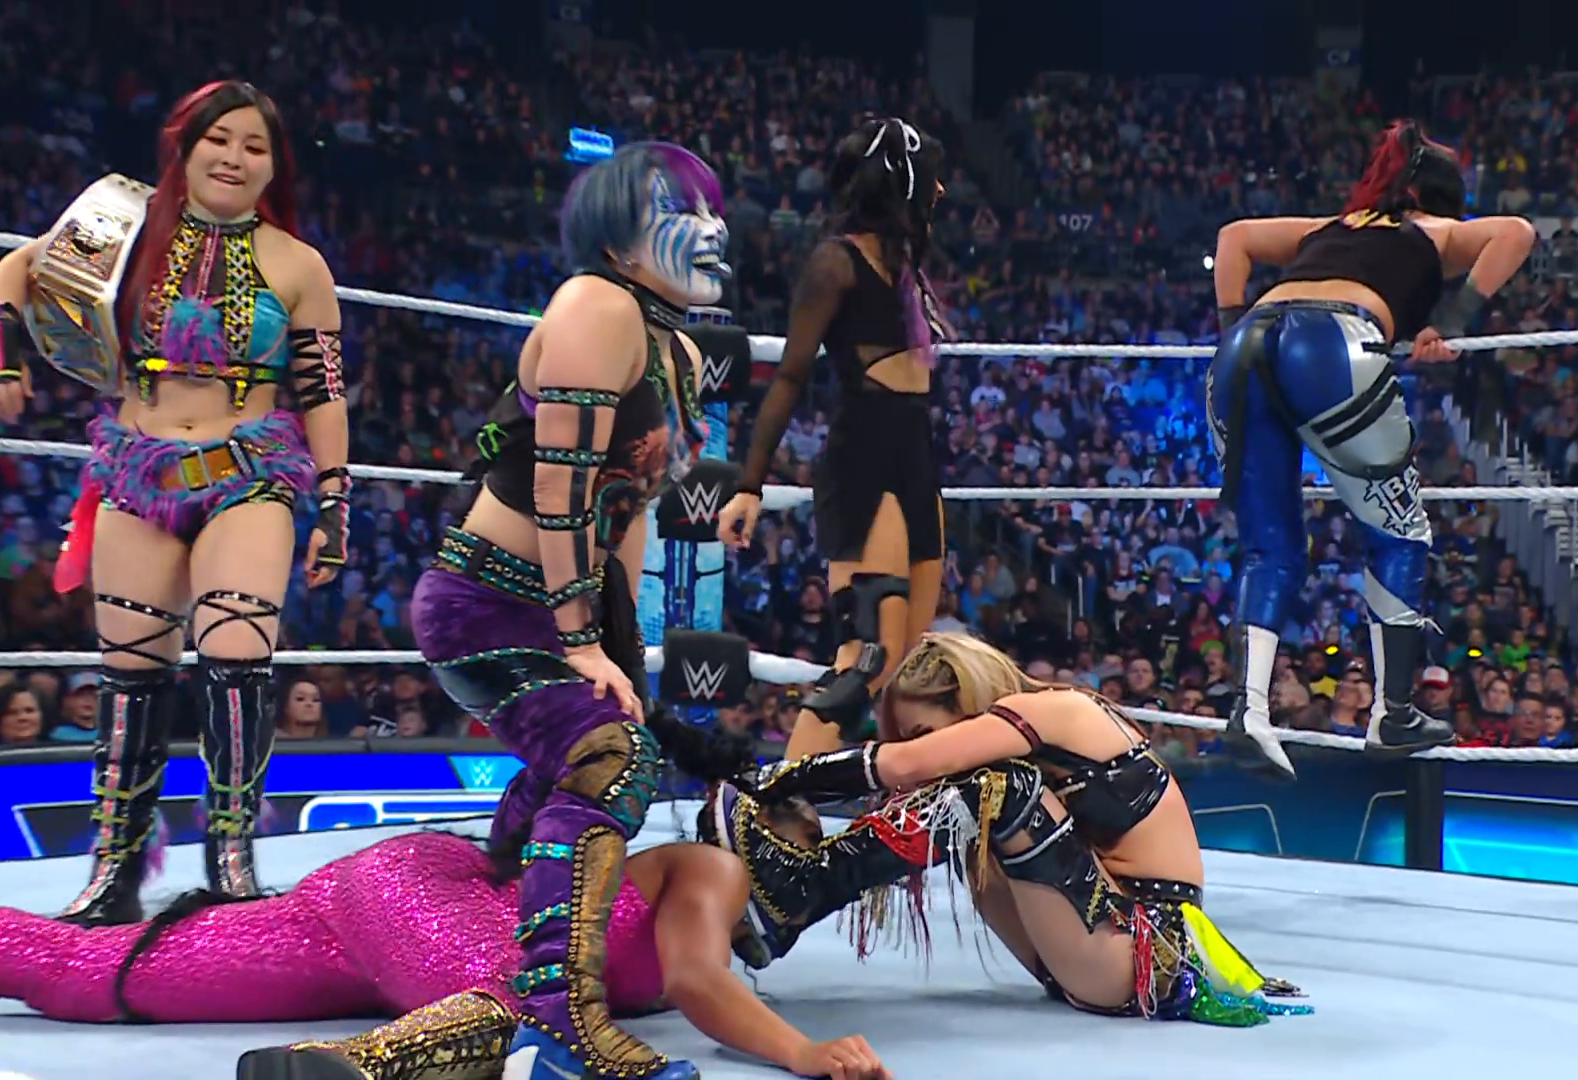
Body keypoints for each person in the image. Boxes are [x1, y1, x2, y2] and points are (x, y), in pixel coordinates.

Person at [0, 80, 349, 922]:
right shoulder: (124, 226)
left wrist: (334, 506)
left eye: (254, 146)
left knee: (237, 656)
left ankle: (232, 862)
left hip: (247, 471)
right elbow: (17, 269)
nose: (234, 158)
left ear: (274, 167)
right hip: (139, 471)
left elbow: (323, 393)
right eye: (220, 139)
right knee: (130, 676)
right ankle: (114, 872)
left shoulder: (299, 264)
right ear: (186, 145)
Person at [407, 142, 727, 1080]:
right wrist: (582, 642)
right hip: (485, 604)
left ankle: (496, 886)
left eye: (715, 211)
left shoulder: (675, 348)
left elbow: (629, 510)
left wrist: (621, 648)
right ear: (618, 237)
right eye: (683, 212)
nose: (712, 230)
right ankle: (557, 1024)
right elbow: (564, 488)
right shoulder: (596, 304)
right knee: (610, 756)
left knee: (614, 736)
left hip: (559, 605)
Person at [0, 799, 889, 1080]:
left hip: (368, 921)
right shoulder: (709, 869)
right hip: (428, 900)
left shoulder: (698, 889)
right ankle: (359, 1068)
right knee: (539, 1009)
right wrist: (805, 1053)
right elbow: (701, 982)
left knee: (99, 974)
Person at [705, 632, 1312, 1026]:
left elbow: (907, 765)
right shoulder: (1031, 738)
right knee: (968, 800)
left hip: (1143, 955)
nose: (926, 751)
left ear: (964, 700)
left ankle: (806, 890)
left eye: (927, 732)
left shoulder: (1054, 711)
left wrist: (776, 778)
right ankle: (793, 906)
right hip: (1085, 951)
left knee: (1002, 790)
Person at [1206, 120, 1536, 779]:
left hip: (1242, 351)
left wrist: (1230, 329)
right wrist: (1448, 323)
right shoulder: (1434, 232)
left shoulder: (1330, 226)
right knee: (1400, 534)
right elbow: (1517, 233)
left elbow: (1234, 238)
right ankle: (1393, 711)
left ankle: (1248, 712)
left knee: (1271, 548)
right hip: (1333, 343)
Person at [716, 117, 951, 759]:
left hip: (915, 450)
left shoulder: (905, 259)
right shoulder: (836, 261)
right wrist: (749, 485)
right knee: (868, 653)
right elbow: (791, 375)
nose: (940, 191)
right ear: (901, 182)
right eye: (931, 178)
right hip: (864, 456)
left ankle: (894, 796)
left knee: (909, 662)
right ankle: (779, 794)